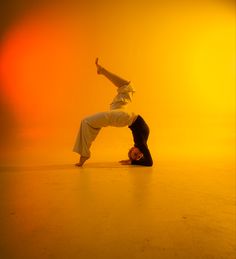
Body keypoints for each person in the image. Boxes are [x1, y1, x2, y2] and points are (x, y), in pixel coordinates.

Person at [73, 58, 153, 167]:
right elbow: (148, 162)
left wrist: (132, 161)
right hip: (124, 114)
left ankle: (84, 154)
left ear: (132, 149)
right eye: (139, 156)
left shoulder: (140, 143)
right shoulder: (142, 145)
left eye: (135, 155)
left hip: (123, 118)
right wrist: (133, 160)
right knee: (128, 88)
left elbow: (149, 163)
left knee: (86, 121)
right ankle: (102, 70)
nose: (138, 154)